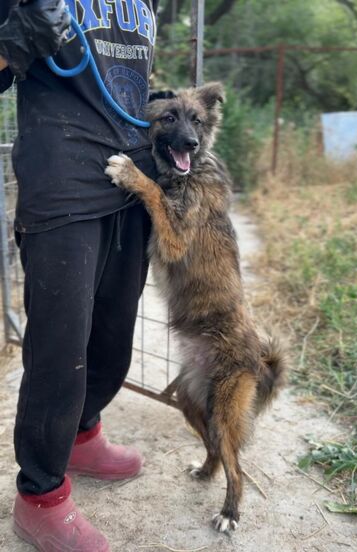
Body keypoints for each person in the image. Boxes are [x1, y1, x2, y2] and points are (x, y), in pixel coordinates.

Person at [0, 0, 159, 550]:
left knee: (113, 337)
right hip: (62, 178)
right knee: (59, 348)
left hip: (133, 179)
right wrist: (16, 37)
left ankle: (83, 435)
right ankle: (40, 494)